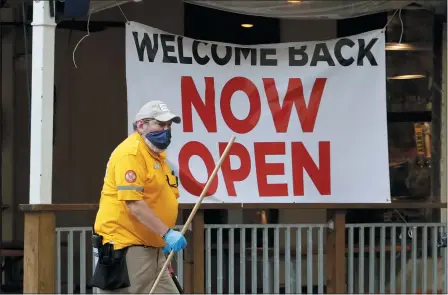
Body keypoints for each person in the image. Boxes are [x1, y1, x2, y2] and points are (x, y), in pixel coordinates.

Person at [91, 100, 187, 294]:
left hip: (153, 249)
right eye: (160, 124)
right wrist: (166, 234)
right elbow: (134, 203)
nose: (166, 130)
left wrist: (161, 246)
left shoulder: (156, 156)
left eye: (169, 126)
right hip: (128, 247)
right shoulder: (131, 153)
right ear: (141, 125)